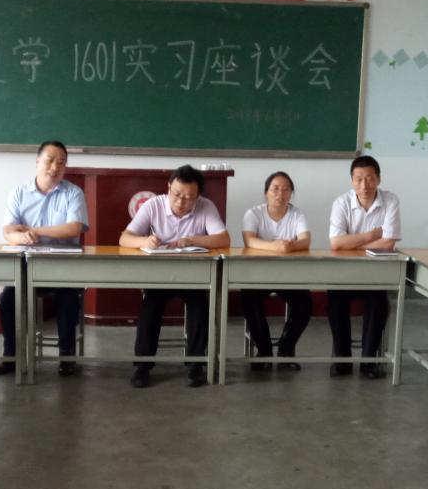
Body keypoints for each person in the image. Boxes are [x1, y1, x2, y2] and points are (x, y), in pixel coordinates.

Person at [119, 165, 229, 388]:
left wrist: (192, 240)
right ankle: (143, 365)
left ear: (198, 195)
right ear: (168, 187)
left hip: (194, 276)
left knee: (200, 308)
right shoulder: (153, 205)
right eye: (177, 194)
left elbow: (223, 239)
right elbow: (124, 238)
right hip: (161, 276)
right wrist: (145, 241)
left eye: (189, 198)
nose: (181, 202)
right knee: (149, 310)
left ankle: (196, 364)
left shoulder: (206, 206)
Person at [0, 140, 88, 376]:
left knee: (68, 296)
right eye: (50, 161)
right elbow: (8, 231)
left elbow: (74, 228)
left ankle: (66, 356)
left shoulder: (73, 193)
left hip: (63, 267)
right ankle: (11, 356)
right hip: (27, 265)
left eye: (61, 163)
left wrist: (35, 231)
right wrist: (19, 237)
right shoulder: (18, 193)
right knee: (8, 297)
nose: (55, 167)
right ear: (37, 162)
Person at [328, 154, 400, 378]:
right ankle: (342, 360)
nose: (364, 185)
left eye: (369, 178)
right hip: (345, 274)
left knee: (378, 303)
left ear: (378, 179)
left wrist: (352, 243)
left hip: (376, 274)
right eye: (358, 179)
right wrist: (372, 235)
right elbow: (336, 243)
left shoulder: (390, 201)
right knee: (335, 302)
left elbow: (388, 243)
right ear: (352, 181)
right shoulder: (341, 203)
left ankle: (369, 361)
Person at [240, 170, 312, 371]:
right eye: (275, 189)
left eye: (286, 189)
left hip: (288, 275)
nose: (280, 193)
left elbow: (305, 241)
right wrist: (275, 246)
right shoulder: (253, 214)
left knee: (305, 304)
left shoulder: (297, 214)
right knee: (249, 299)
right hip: (257, 275)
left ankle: (285, 350)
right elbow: (249, 240)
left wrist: (289, 246)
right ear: (266, 192)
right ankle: (263, 351)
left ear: (291, 193)